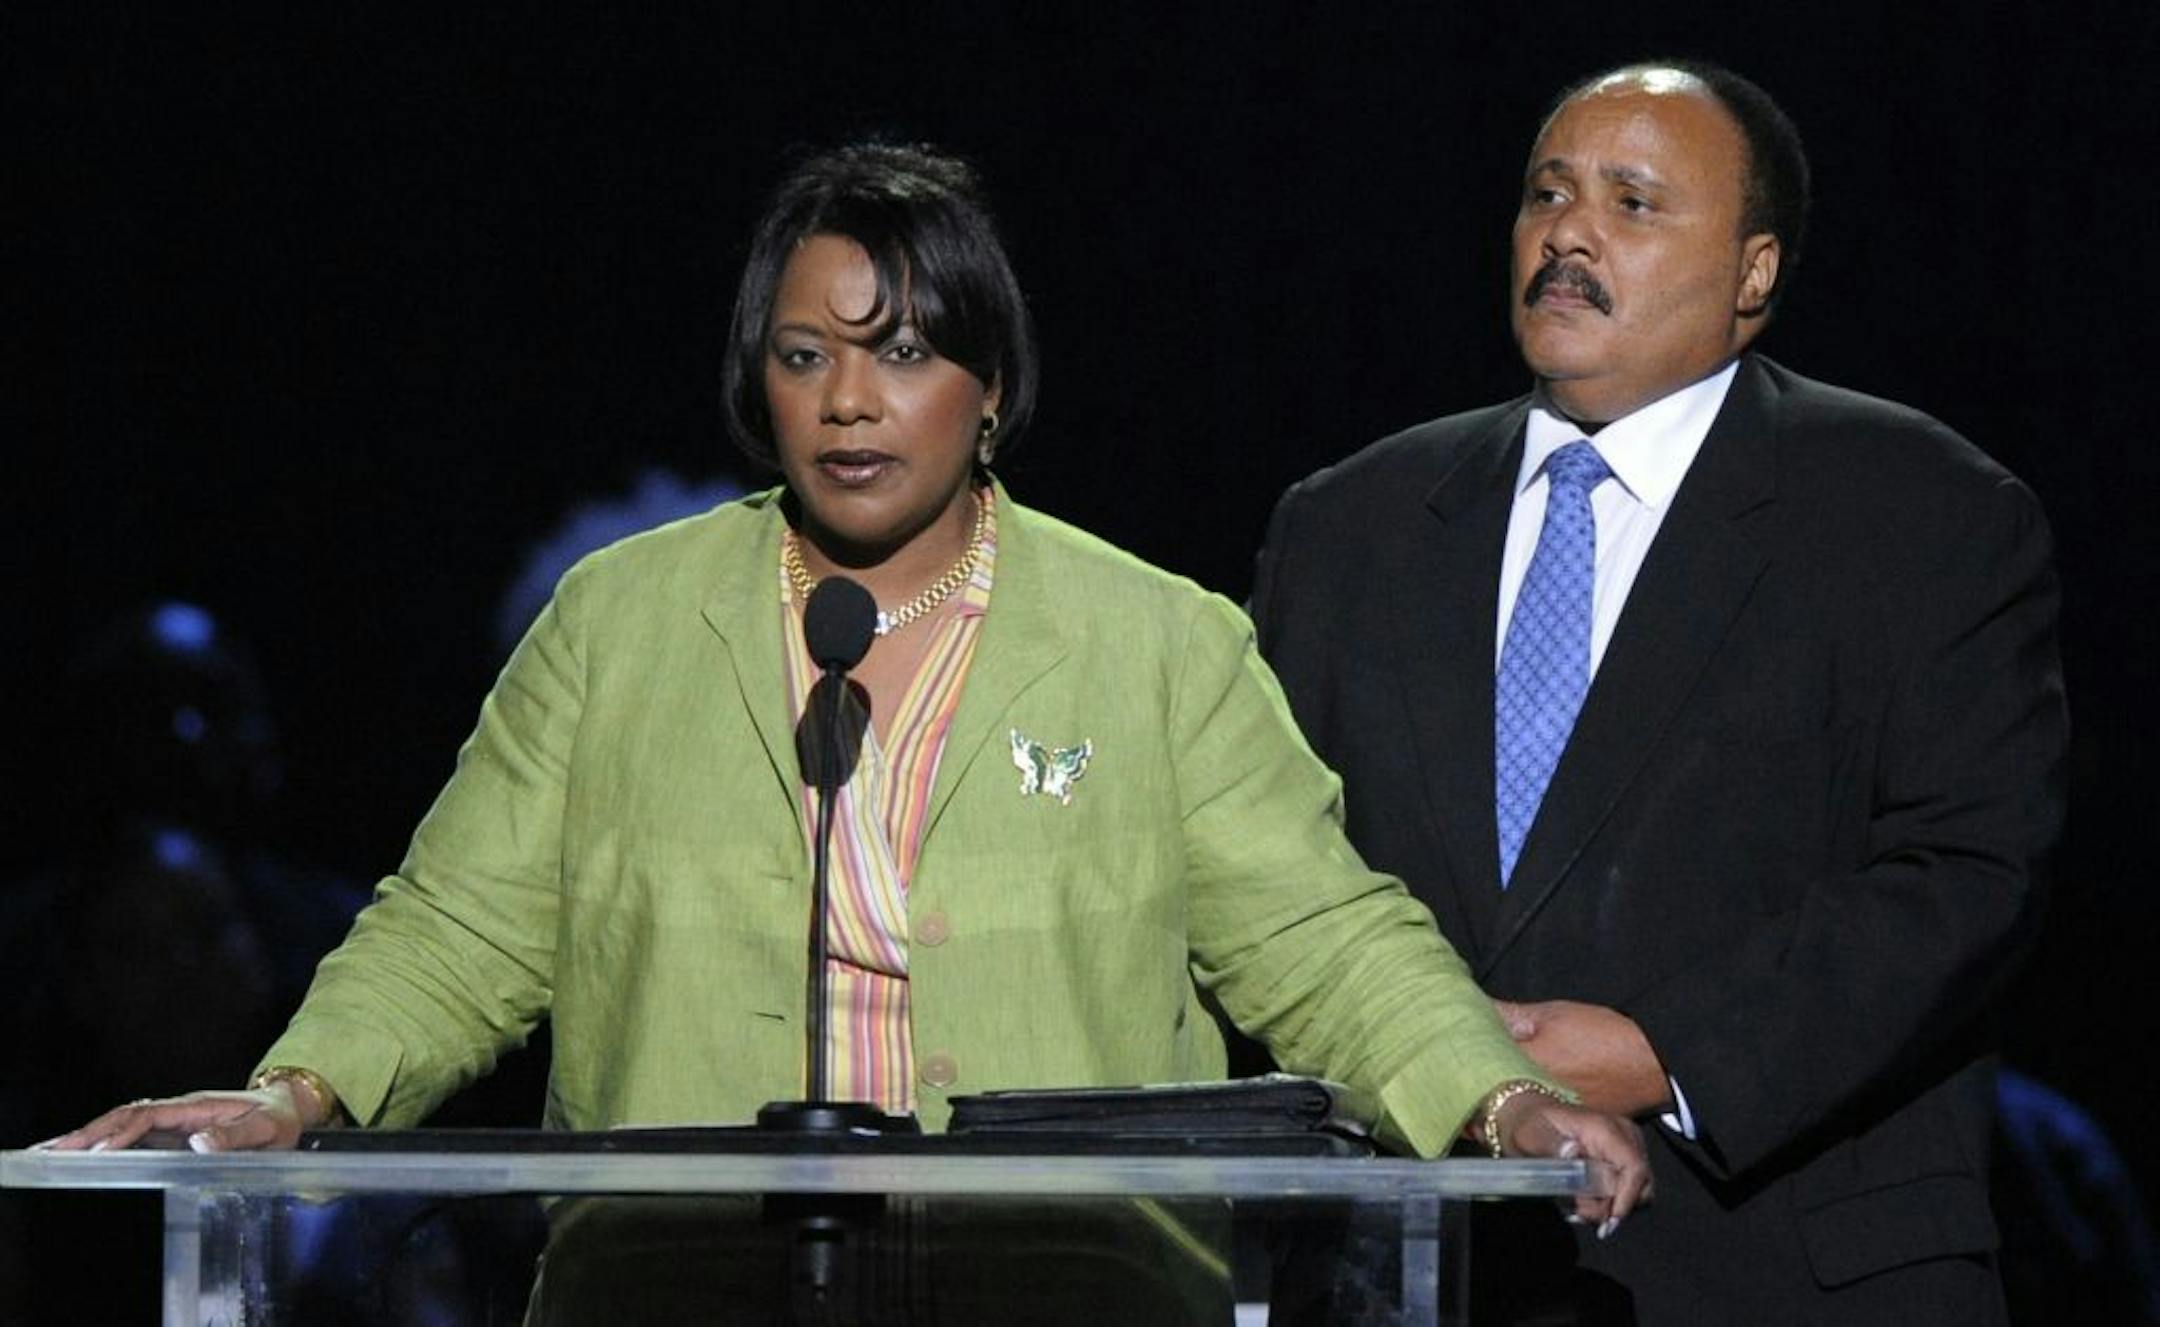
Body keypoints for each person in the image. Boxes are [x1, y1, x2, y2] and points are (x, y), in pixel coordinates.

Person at [44, 143, 1649, 1313]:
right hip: (684, 1281)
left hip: (1056, 1285)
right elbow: (460, 923)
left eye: (901, 352)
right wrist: (294, 1090)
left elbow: (1320, 932)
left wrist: (1488, 1097)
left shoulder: (1151, 636)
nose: (850, 401)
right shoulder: (618, 620)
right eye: (806, 356)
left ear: (992, 382)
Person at [1250, 62, 2065, 1325]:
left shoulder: (1922, 512)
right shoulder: (1348, 523)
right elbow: (1266, 870)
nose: (1568, 232)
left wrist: (1663, 1053)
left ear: (1754, 273)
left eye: (1633, 203)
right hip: (1416, 1262)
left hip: (1777, 1262)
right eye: (1548, 194)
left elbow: (1967, 871)